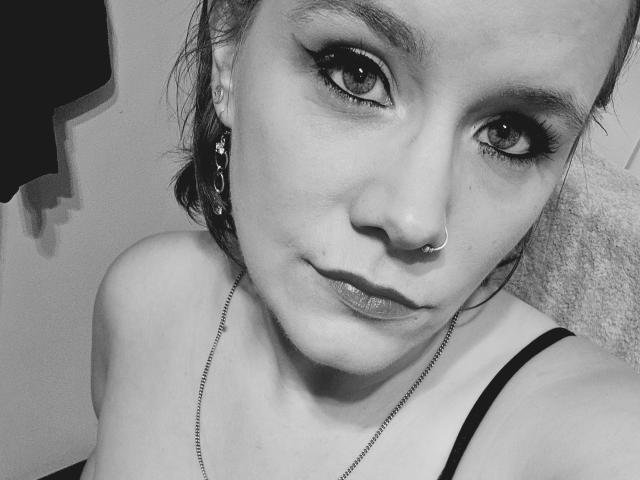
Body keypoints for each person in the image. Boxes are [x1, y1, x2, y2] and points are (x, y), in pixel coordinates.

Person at [81, 0, 640, 478]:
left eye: (508, 134)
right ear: (229, 44)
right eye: (357, 75)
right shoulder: (142, 301)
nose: (414, 220)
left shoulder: (601, 443)